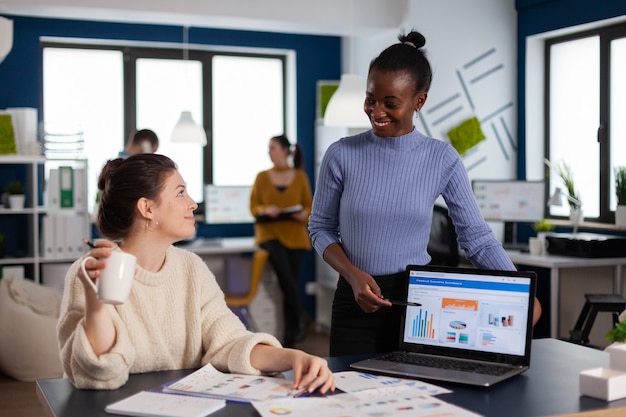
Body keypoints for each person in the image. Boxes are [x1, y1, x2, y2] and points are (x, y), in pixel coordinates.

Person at [308, 30, 542, 356]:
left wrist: (521, 292)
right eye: (370, 100)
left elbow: (476, 237)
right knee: (351, 402)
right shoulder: (341, 154)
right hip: (354, 301)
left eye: (391, 103)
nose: (377, 112)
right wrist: (352, 274)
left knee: (416, 401)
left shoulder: (442, 159)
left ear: (419, 101)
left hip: (418, 302)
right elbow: (319, 228)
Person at [57, 153, 335, 393]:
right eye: (180, 193)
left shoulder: (191, 268)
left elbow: (230, 341)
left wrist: (294, 357)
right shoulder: (91, 273)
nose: (192, 203)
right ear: (147, 207)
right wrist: (96, 304)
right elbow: (98, 373)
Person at [250, 134, 314, 348]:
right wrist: (265, 210)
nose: (269, 151)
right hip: (269, 235)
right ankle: (302, 315)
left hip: (295, 237)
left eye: (273, 147)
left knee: (290, 286)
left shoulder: (299, 177)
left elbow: (309, 206)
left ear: (285, 150)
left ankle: (290, 339)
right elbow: (254, 207)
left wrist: (302, 214)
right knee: (287, 280)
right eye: (269, 148)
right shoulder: (261, 177)